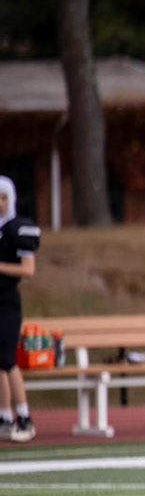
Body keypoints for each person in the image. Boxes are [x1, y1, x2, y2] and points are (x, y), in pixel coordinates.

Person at [0, 176, 39, 443]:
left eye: (3, 197)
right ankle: (4, 416)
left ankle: (25, 416)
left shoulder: (17, 228)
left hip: (6, 301)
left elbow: (28, 270)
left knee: (7, 360)